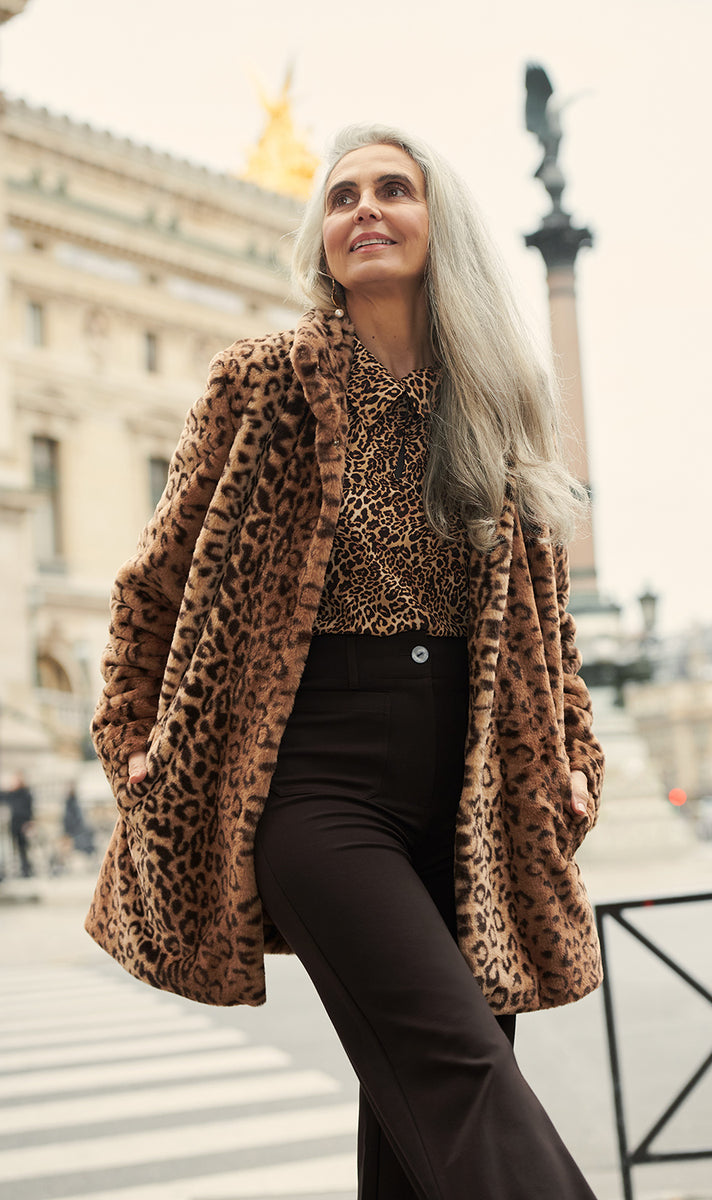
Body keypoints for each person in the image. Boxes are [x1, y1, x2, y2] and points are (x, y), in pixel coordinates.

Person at [87, 124, 605, 1200]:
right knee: (456, 1073)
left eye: (391, 189)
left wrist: (573, 757)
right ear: (320, 240)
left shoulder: (495, 397)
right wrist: (132, 735)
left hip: (472, 778)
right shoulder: (263, 383)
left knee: (420, 1116)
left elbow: (543, 619)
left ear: (434, 221)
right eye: (340, 198)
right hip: (316, 773)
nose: (364, 209)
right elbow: (153, 582)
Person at [2, 772, 35, 877]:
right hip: (14, 824)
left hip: (23, 824)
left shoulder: (26, 794)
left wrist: (29, 823)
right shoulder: (12, 794)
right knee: (14, 848)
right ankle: (18, 870)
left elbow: (30, 810)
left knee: (23, 848)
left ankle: (26, 870)